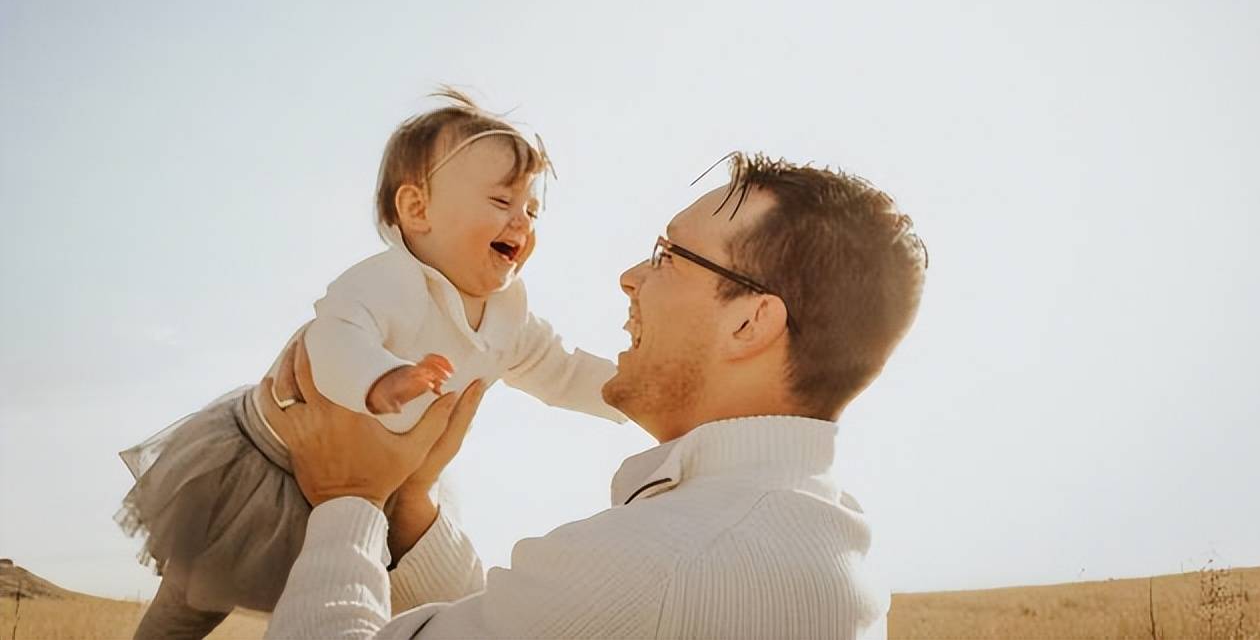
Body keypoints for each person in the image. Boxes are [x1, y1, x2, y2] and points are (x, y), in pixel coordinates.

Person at [263, 152, 929, 639]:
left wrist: (348, 497)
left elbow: (622, 594)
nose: (630, 277)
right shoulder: (812, 531)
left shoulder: (663, 563)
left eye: (669, 255)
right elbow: (545, 620)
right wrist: (410, 508)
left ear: (749, 322)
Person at [116, 90, 625, 640]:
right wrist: (379, 378)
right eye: (502, 202)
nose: (521, 222)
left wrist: (630, 393)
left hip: (372, 484)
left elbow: (564, 372)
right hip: (267, 467)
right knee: (189, 605)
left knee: (345, 596)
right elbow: (331, 340)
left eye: (531, 209)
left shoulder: (511, 318)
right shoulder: (387, 281)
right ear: (417, 210)